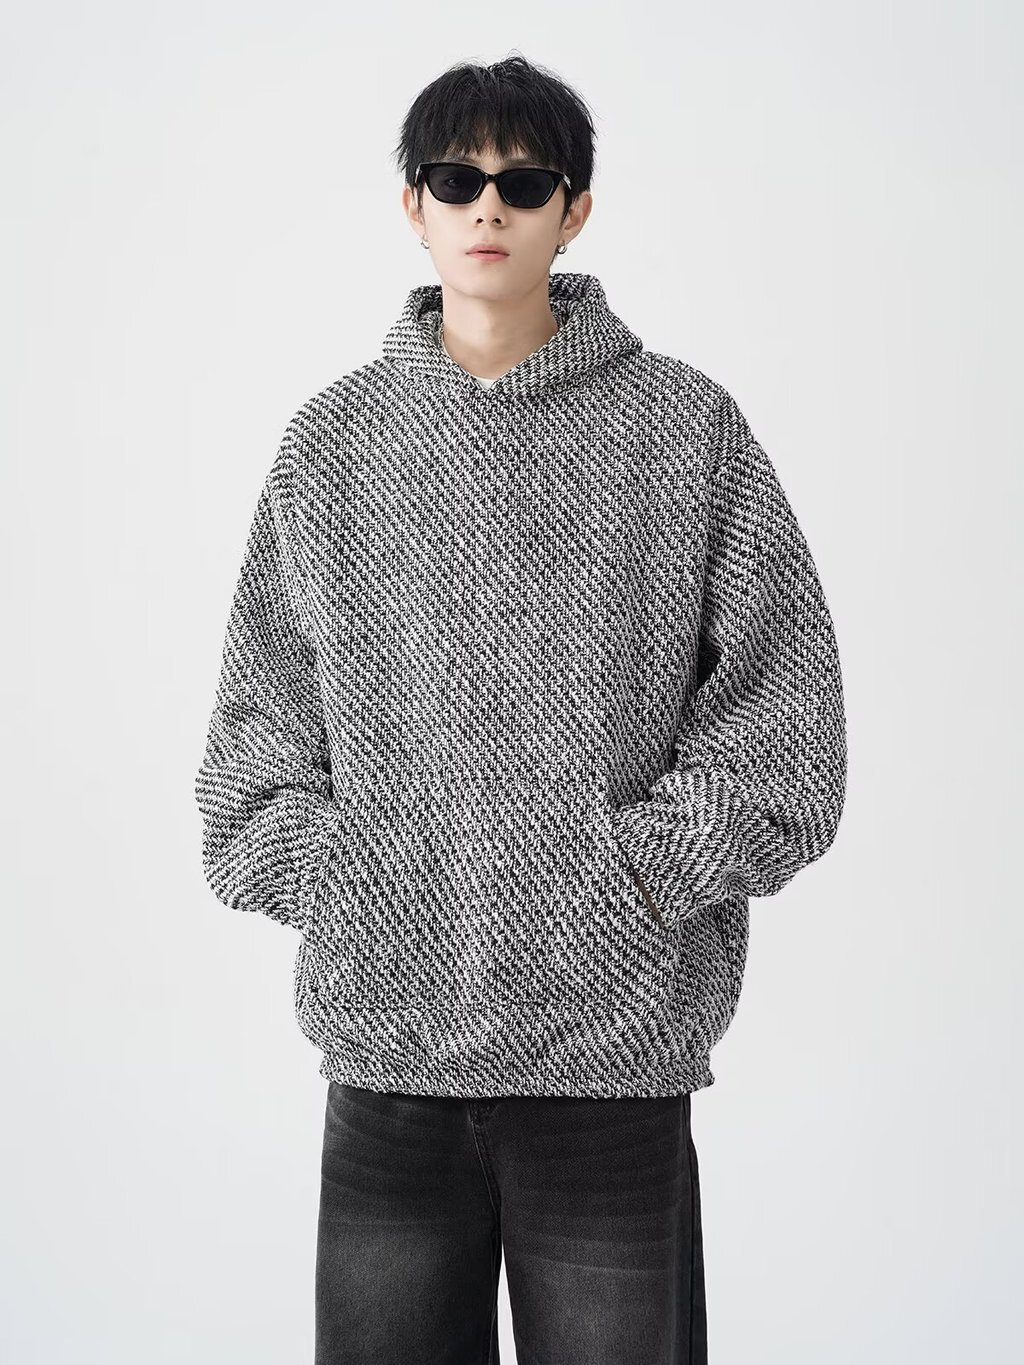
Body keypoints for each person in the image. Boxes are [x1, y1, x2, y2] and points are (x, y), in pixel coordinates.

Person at [193, 52, 848, 1365]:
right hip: (391, 1060)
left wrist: (625, 882)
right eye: (455, 178)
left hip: (611, 1063)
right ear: (414, 207)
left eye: (524, 181)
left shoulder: (686, 431)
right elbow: (249, 764)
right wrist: (371, 887)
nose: (487, 204)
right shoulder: (331, 446)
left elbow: (789, 735)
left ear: (574, 210)